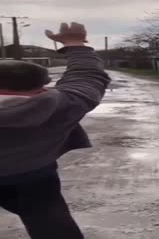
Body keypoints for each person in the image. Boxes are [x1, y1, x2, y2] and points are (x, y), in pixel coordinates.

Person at [0, 22, 111, 239]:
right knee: (52, 226)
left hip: (34, 175)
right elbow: (87, 76)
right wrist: (75, 43)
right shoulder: (61, 106)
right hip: (34, 177)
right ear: (41, 86)